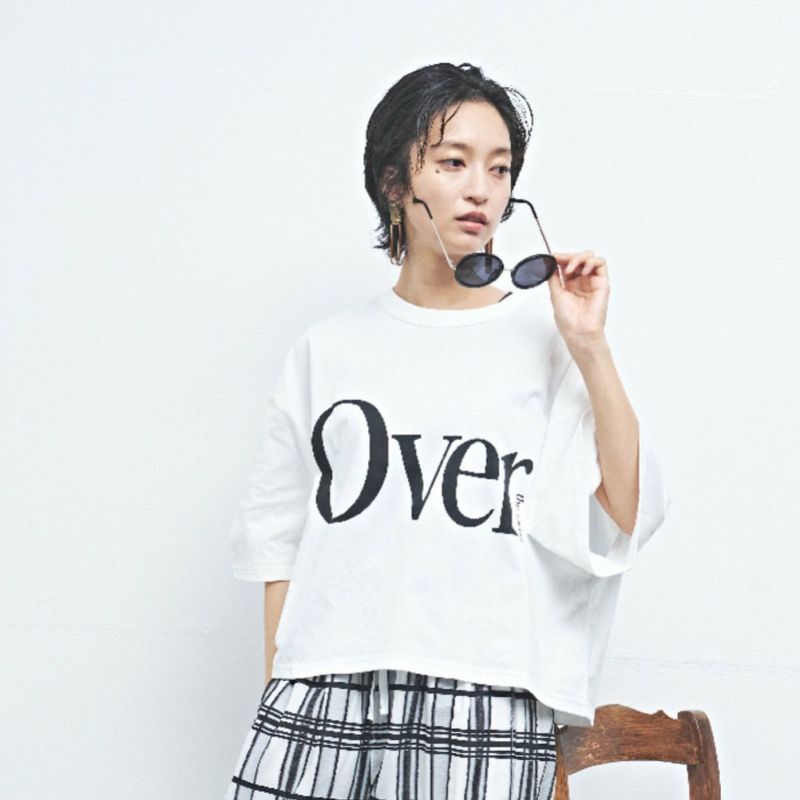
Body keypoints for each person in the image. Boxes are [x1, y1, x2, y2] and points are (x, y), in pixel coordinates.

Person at [223, 62, 671, 800]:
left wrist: (589, 345)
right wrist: (283, 694)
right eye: (454, 162)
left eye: (499, 169)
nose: (480, 190)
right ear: (395, 182)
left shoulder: (550, 342)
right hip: (324, 688)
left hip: (489, 693)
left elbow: (628, 511)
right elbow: (278, 543)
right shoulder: (327, 350)